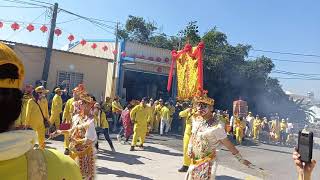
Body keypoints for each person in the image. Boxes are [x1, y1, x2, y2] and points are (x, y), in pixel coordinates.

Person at [0, 42, 82, 179]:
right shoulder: (66, 167)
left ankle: (43, 147)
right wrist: (26, 123)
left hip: (45, 119)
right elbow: (28, 112)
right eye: (42, 91)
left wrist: (48, 118)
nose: (43, 93)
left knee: (46, 135)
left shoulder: (43, 100)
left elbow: (47, 109)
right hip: (35, 122)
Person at [185, 91, 252, 179]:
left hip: (207, 162)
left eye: (204, 106)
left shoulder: (217, 127)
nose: (200, 108)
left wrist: (241, 159)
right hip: (195, 161)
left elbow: (228, 144)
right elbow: (193, 135)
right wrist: (190, 147)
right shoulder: (197, 120)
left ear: (211, 108)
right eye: (198, 105)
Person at [55, 85, 97, 179]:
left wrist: (76, 141)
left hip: (84, 154)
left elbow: (89, 140)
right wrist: (60, 131)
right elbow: (72, 130)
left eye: (82, 102)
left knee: (82, 176)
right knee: (70, 173)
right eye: (80, 102)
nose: (79, 103)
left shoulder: (90, 121)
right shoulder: (76, 117)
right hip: (74, 151)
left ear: (88, 105)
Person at [62, 86, 81, 155]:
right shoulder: (69, 101)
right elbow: (65, 110)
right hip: (69, 120)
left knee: (76, 135)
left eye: (76, 92)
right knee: (66, 134)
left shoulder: (81, 102)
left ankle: (74, 147)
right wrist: (63, 119)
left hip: (77, 121)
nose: (75, 93)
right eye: (74, 92)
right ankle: (67, 148)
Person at [178, 103, 193, 172]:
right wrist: (187, 110)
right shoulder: (189, 111)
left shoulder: (200, 112)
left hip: (196, 134)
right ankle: (185, 165)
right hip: (187, 133)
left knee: (195, 151)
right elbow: (181, 114)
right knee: (185, 148)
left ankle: (193, 166)